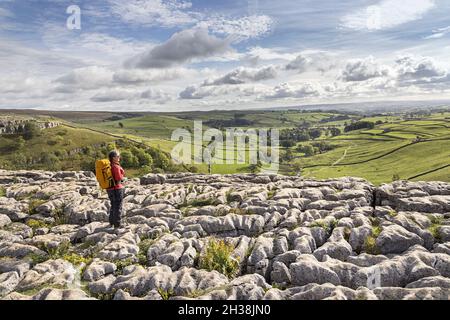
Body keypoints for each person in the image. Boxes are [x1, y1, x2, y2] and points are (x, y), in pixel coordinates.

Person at [107, 150, 126, 229]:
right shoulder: (116, 166)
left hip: (110, 189)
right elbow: (118, 178)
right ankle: (117, 225)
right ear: (113, 158)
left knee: (113, 205)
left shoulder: (109, 166)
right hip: (117, 189)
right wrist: (122, 178)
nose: (119, 158)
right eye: (117, 156)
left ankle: (111, 223)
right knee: (118, 206)